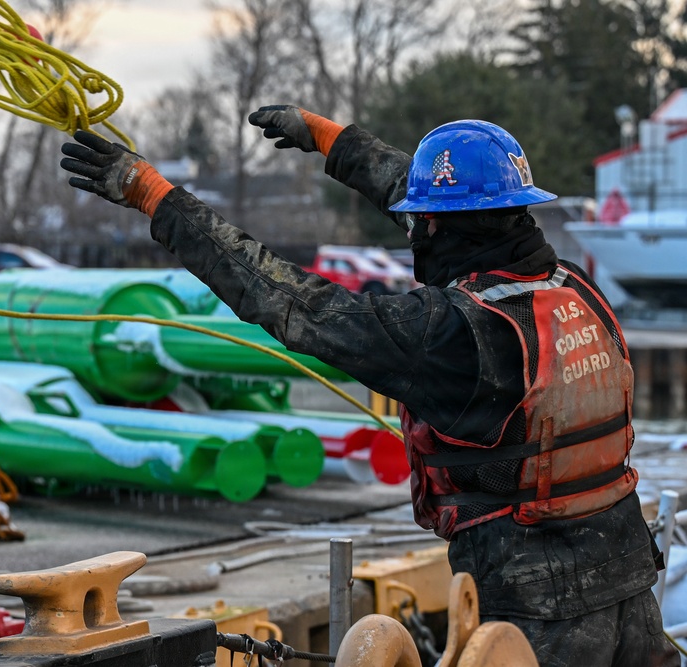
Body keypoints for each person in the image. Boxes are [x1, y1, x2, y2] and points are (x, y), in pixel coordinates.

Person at [59, 107, 680, 666]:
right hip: (628, 575)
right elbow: (434, 200)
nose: (413, 229)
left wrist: (157, 199)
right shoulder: (573, 289)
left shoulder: (452, 335)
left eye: (421, 221)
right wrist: (333, 141)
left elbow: (286, 298)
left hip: (536, 608)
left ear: (438, 227)